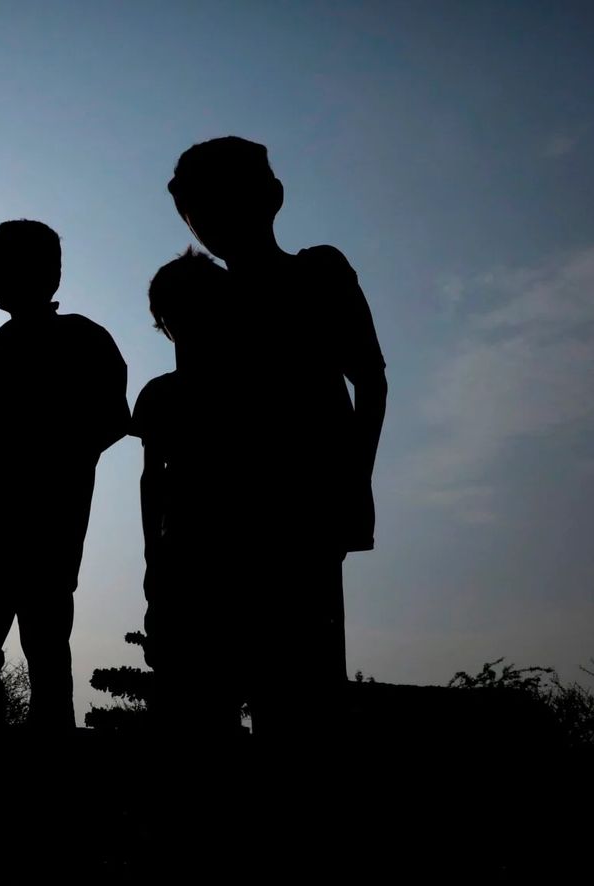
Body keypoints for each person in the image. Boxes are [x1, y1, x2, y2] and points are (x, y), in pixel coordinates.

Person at [166, 136, 387, 742]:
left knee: (301, 695)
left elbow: (369, 380)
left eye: (215, 201)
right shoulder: (206, 302)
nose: (206, 221)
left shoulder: (316, 272)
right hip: (226, 520)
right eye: (193, 210)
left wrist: (351, 482)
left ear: (271, 197)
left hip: (304, 509)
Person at [0, 220, 129, 742]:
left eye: (10, 265)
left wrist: (1, 503)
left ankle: (43, 776)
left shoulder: (82, 340)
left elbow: (100, 427)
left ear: (53, 272)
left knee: (43, 654)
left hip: (45, 532)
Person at [130, 248, 246, 736]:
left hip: (240, 559)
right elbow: (150, 485)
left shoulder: (250, 387)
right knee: (186, 707)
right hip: (180, 563)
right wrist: (155, 569)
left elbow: (151, 485)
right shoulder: (160, 394)